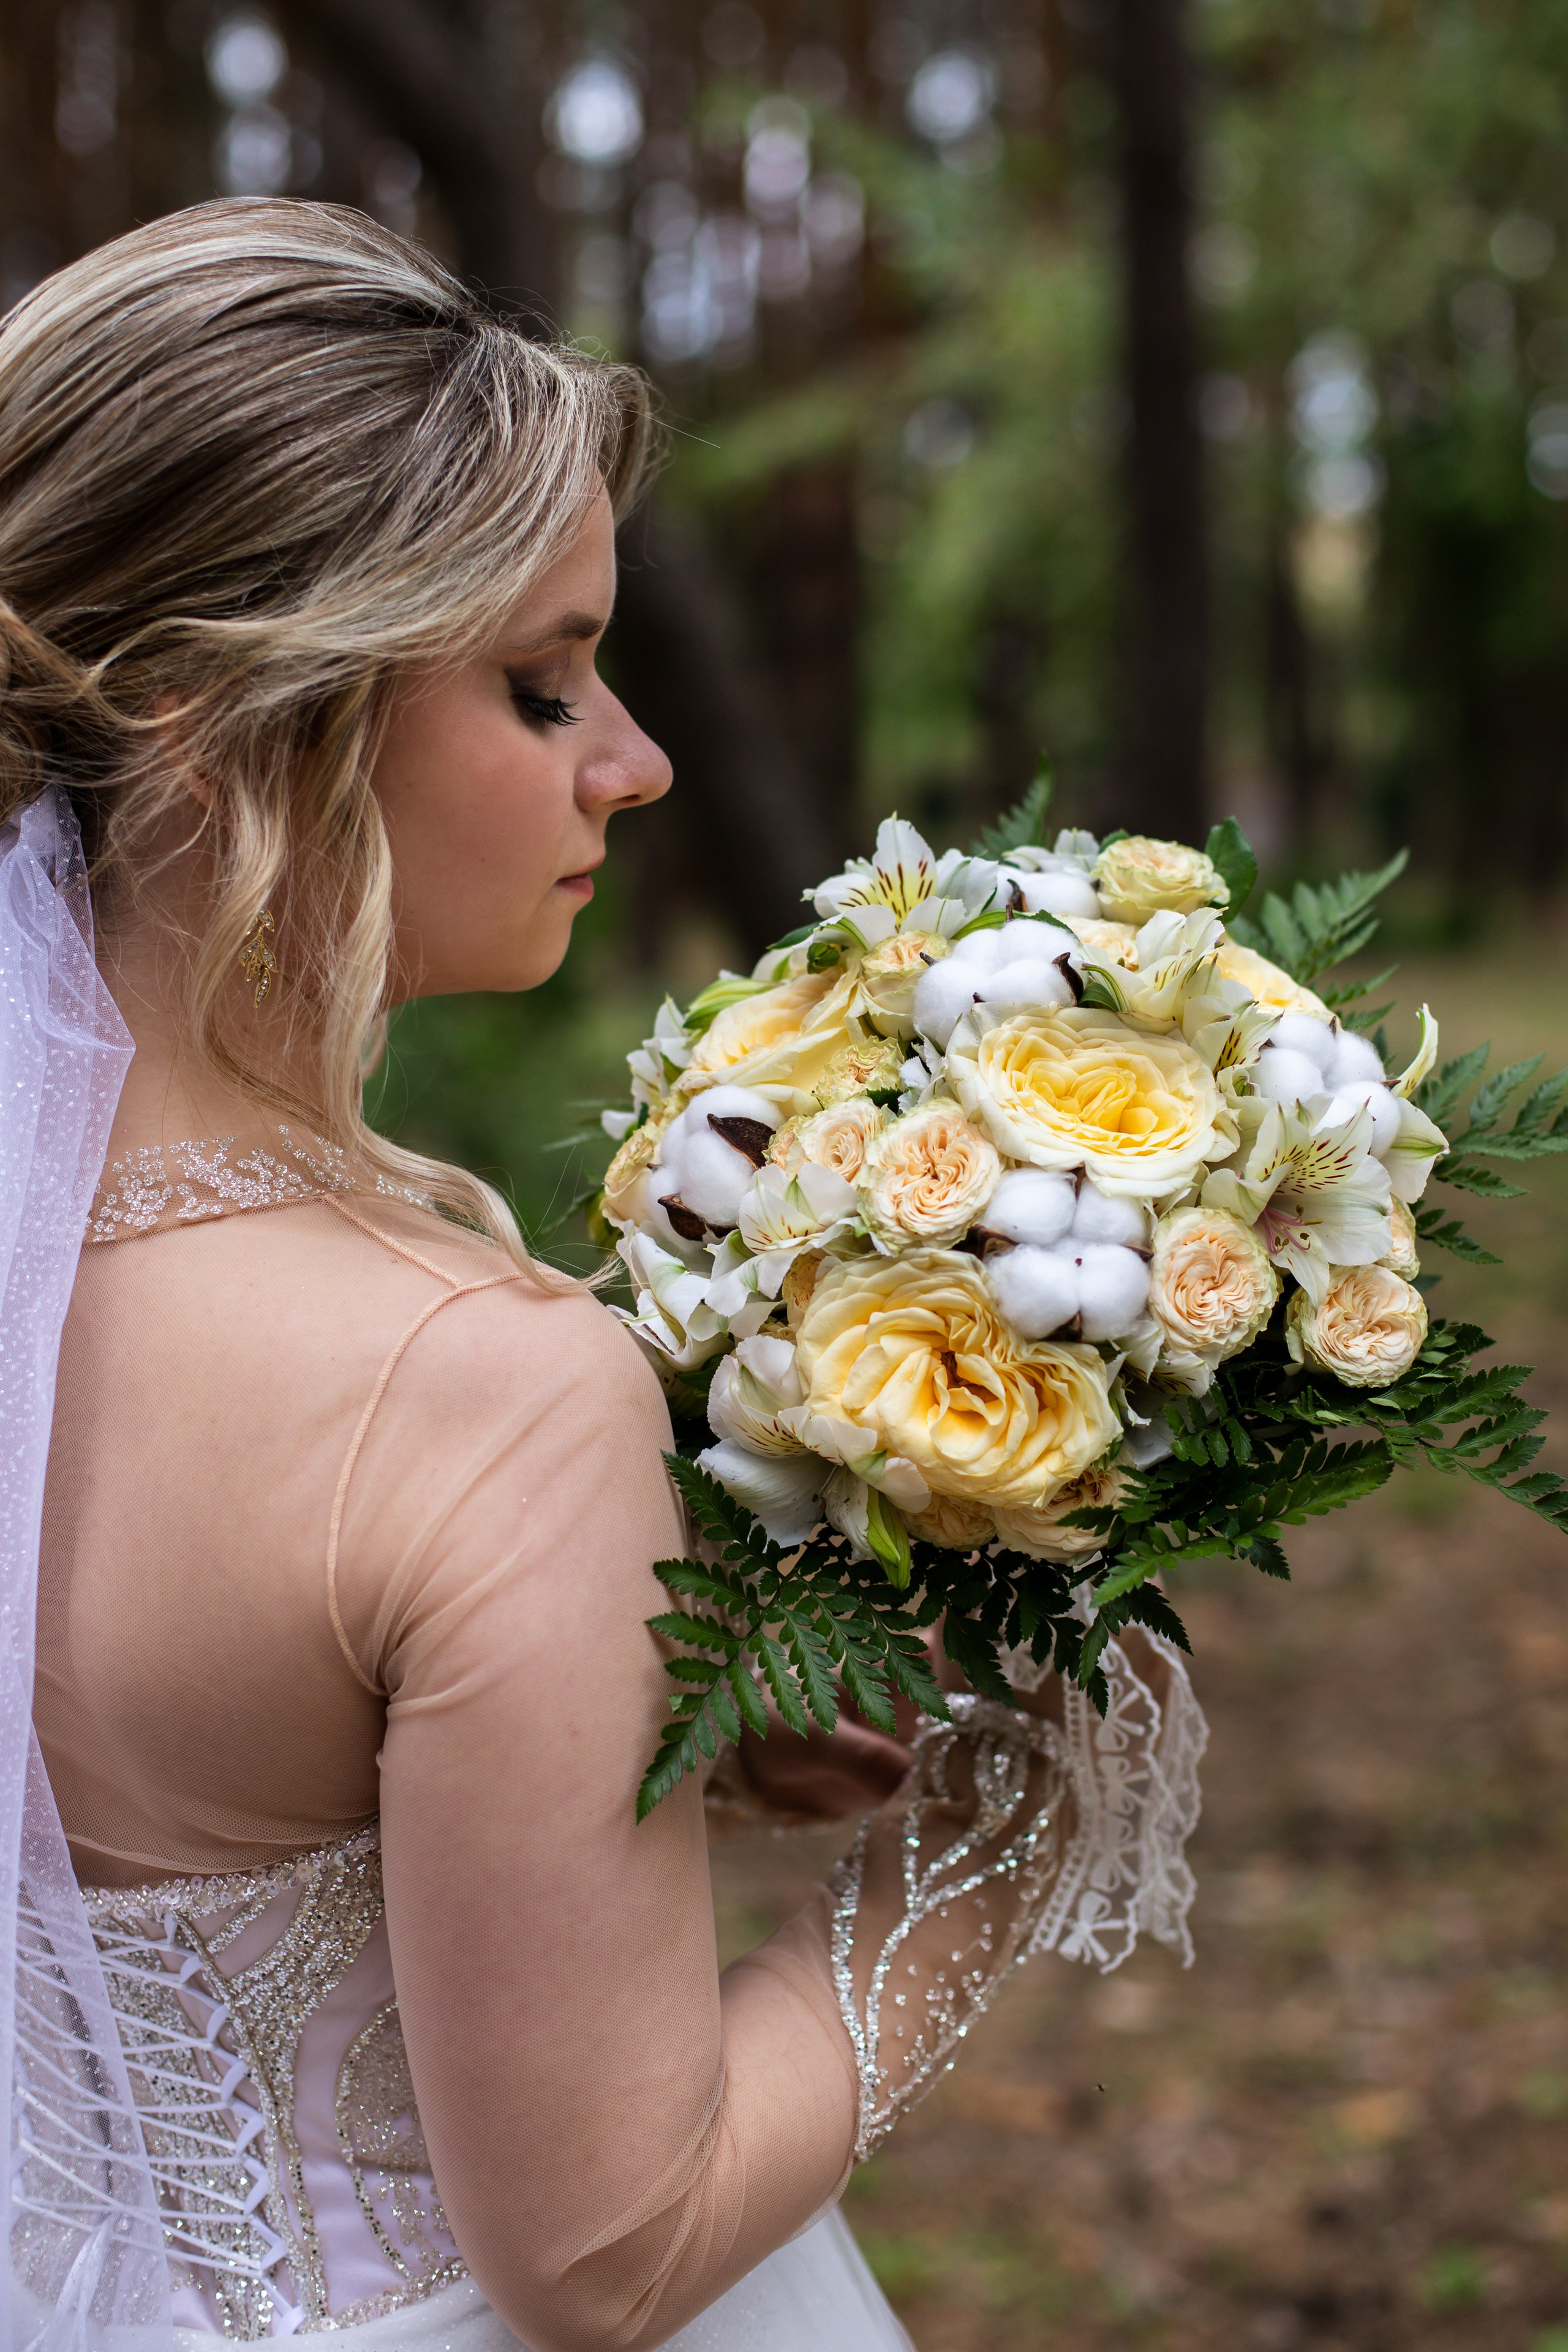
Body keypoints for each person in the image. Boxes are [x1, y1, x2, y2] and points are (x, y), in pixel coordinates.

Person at [1, 200, 1205, 2352]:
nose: (632, 759)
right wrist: (1008, 1823)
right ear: (215, 723)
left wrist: (639, 1773)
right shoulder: (473, 1382)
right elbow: (607, 2250)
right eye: (539, 682)